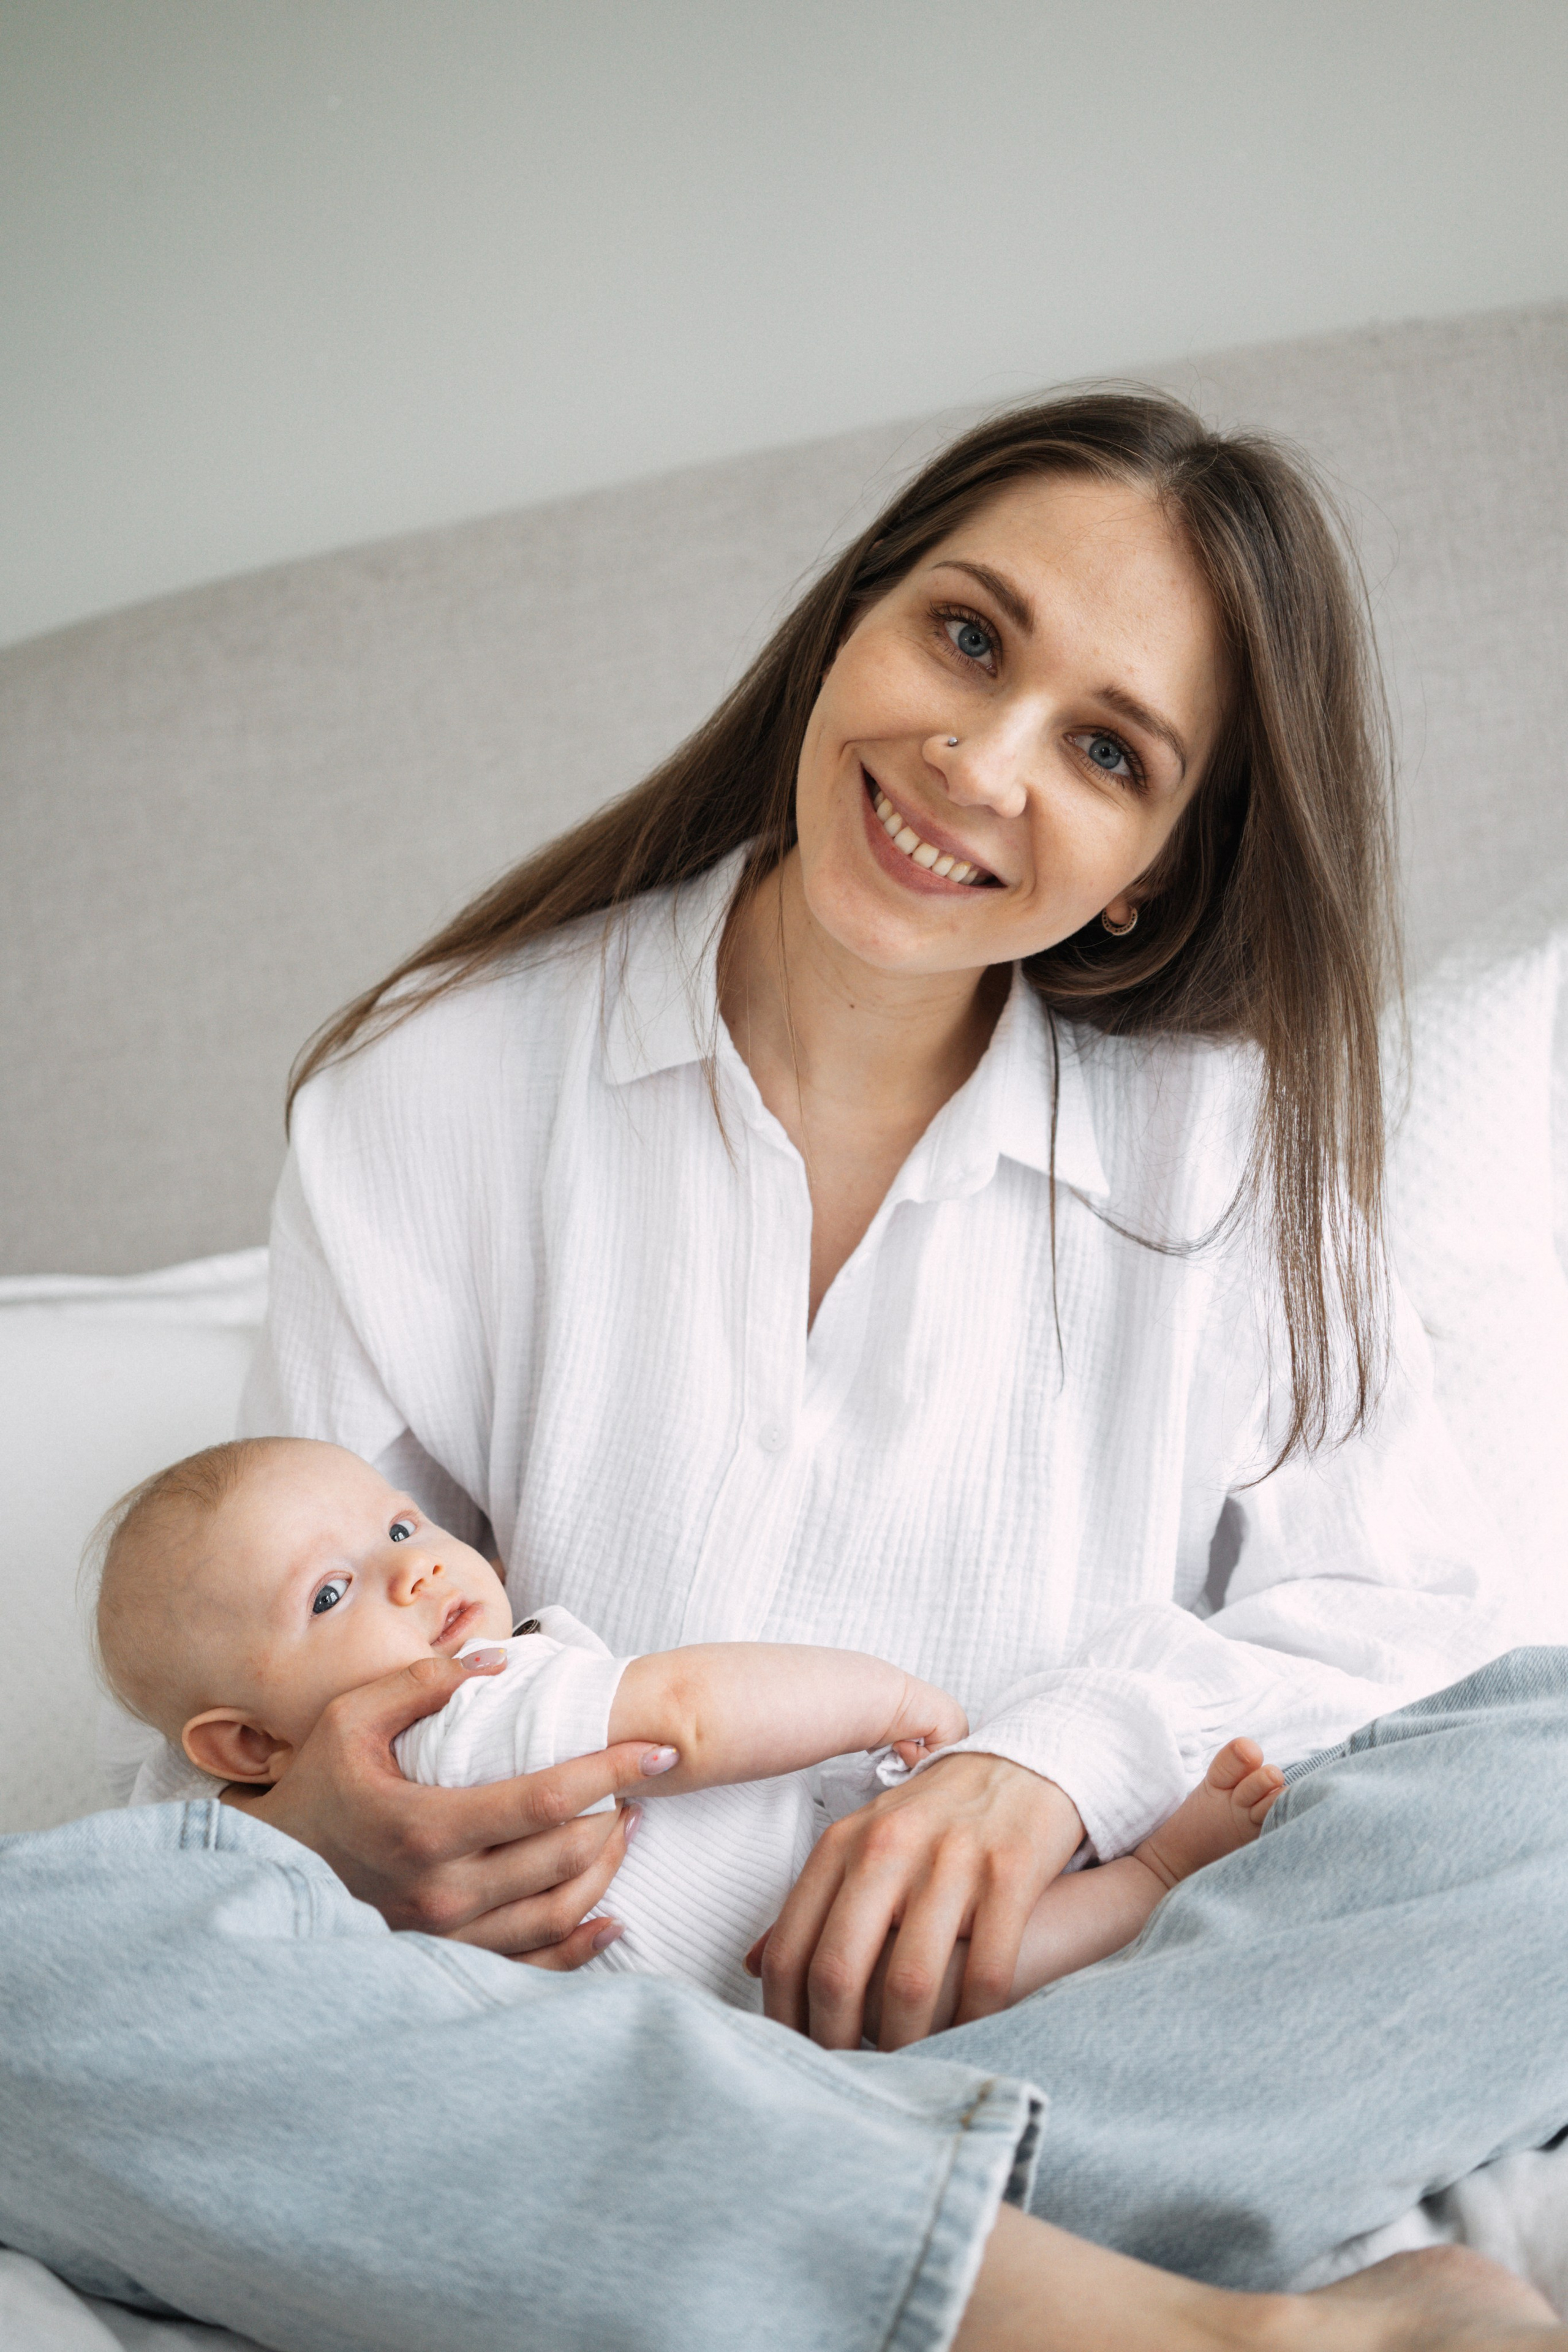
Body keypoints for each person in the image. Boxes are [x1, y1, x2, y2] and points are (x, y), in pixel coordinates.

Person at [7, 388, 1567, 2351]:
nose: (976, 760)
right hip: (556, 2034)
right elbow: (295, 1673)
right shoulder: (432, 1090)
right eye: (967, 635)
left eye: (1105, 748)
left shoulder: (1231, 1151)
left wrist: (1051, 1772)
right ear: (854, 622)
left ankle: (780, 2244)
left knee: (1554, 1782)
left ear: (1161, 863)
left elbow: (1404, 1622)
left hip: (1056, 2015)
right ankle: (1159, 2311)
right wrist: (331, 1826)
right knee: (40, 1969)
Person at [91, 1431, 1287, 2019]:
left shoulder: (289, 1816)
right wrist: (885, 1698)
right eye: (331, 1593)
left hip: (752, 1956)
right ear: (245, 1751)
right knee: (947, 1975)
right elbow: (686, 1715)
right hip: (779, 1977)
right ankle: (1155, 1877)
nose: (408, 1574)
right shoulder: (444, 1728)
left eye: (402, 1529)